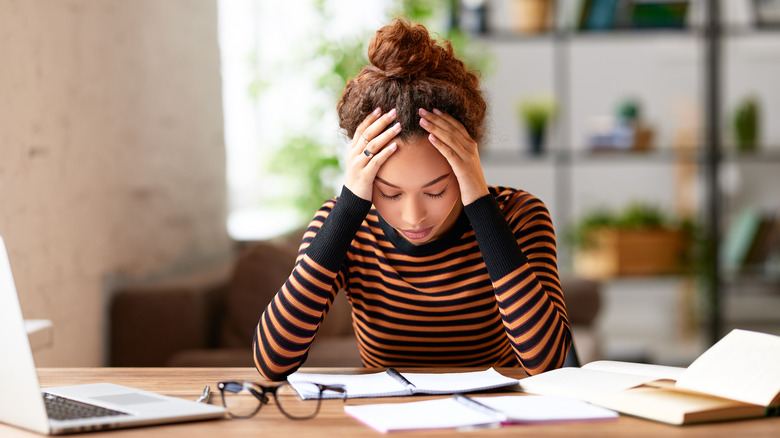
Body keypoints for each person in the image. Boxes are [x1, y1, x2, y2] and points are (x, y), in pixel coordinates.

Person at [253, 19, 570, 381]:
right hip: (382, 413)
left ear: (468, 164)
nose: (413, 216)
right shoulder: (343, 225)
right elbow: (273, 362)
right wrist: (349, 206)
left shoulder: (519, 216)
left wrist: (480, 204)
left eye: (435, 191)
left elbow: (547, 364)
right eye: (390, 193)